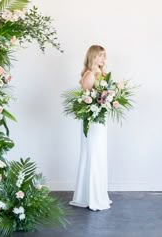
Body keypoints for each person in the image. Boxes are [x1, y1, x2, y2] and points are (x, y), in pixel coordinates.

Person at [69, 45, 112, 211]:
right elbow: (86, 100)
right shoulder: (89, 74)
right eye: (100, 56)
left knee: (100, 154)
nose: (103, 60)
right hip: (92, 121)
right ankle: (90, 197)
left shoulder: (104, 75)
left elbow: (105, 96)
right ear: (93, 57)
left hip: (101, 120)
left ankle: (99, 194)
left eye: (104, 56)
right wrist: (100, 101)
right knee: (92, 153)